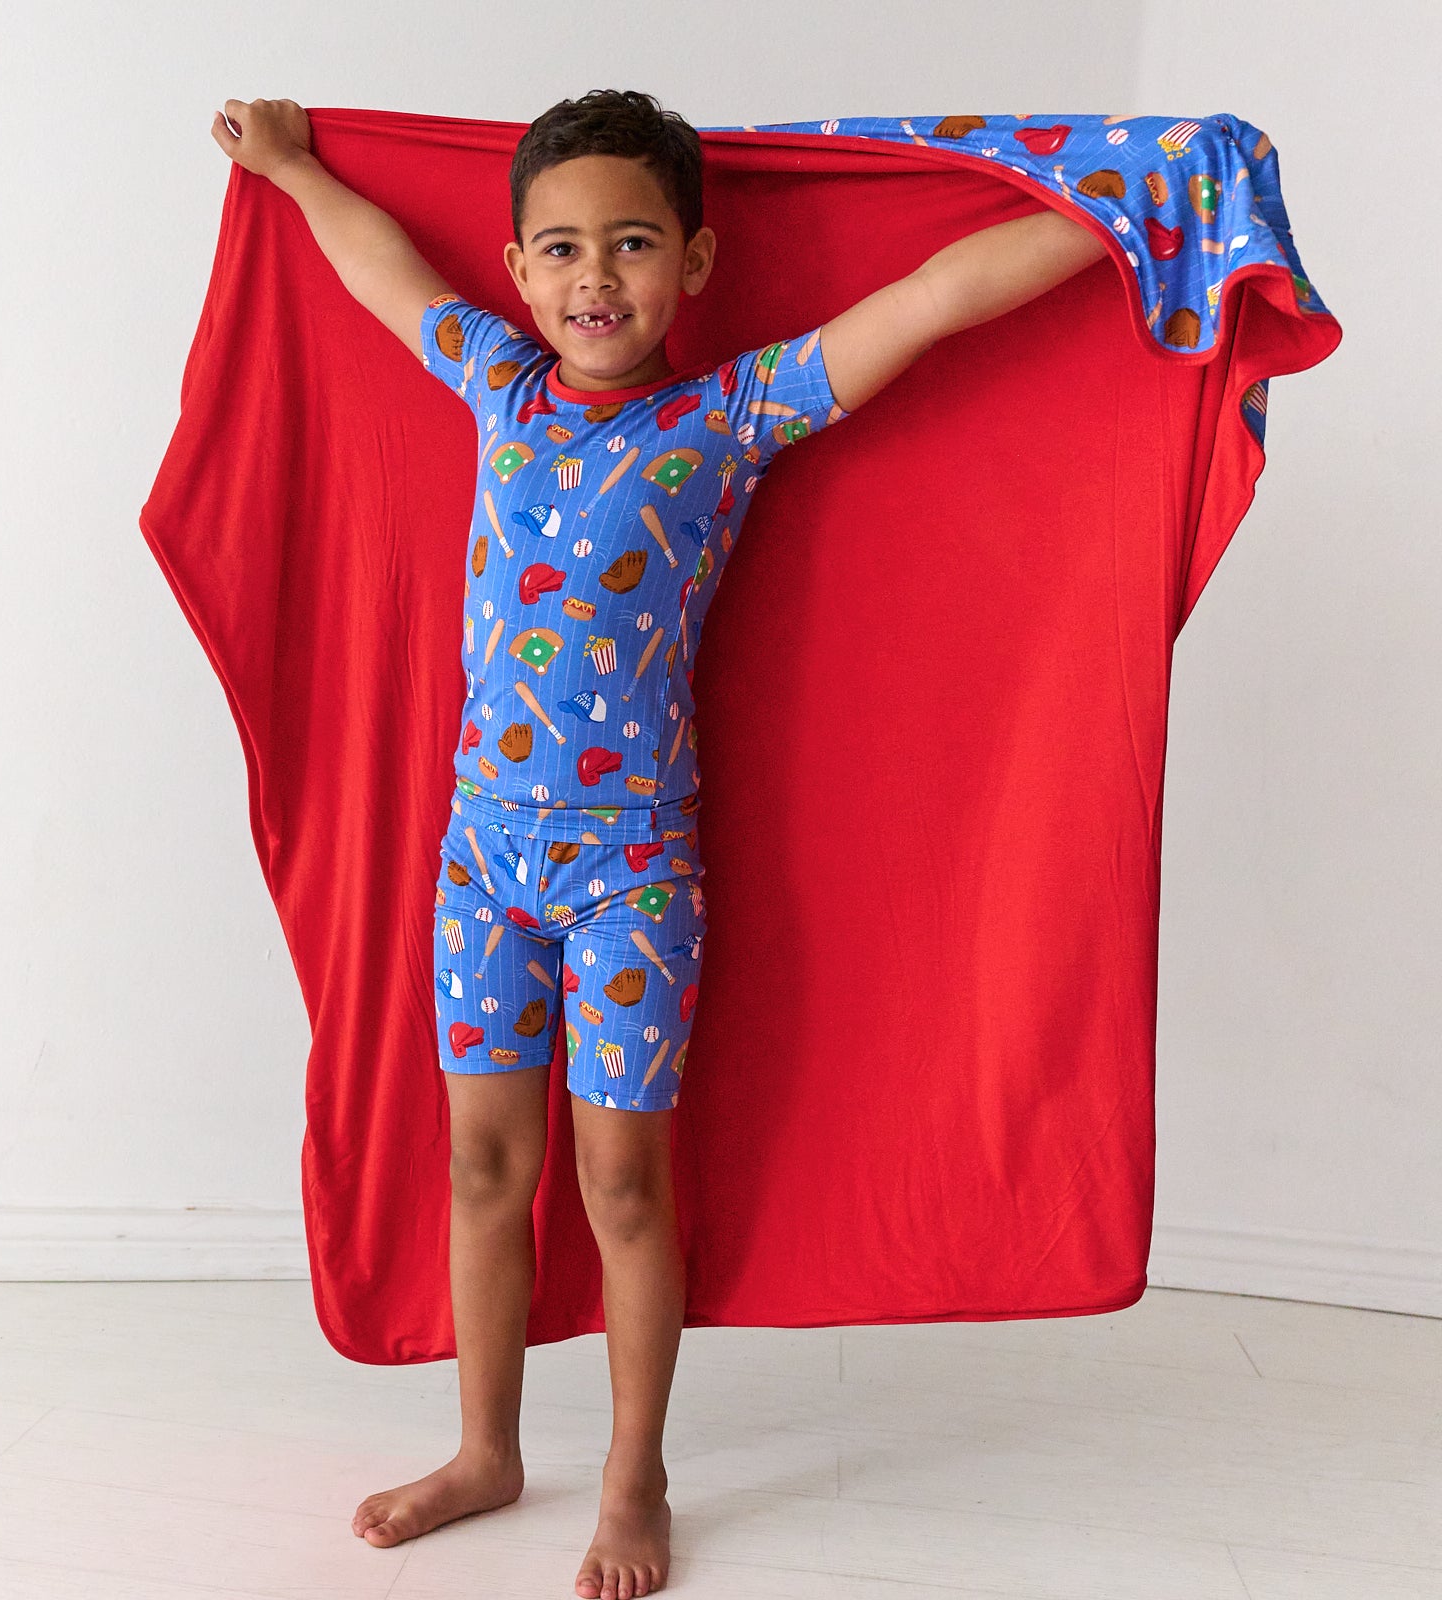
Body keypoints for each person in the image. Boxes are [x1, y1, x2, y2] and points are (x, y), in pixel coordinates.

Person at [212, 87, 1106, 1600]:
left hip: (633, 875)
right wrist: (295, 170)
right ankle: (486, 1452)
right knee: (483, 1167)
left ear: (694, 261)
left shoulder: (734, 415)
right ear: (517, 268)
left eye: (631, 244)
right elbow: (381, 272)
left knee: (626, 1186)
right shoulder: (496, 381)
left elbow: (936, 299)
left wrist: (1114, 230)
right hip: (480, 863)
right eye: (560, 249)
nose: (594, 279)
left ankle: (637, 1480)